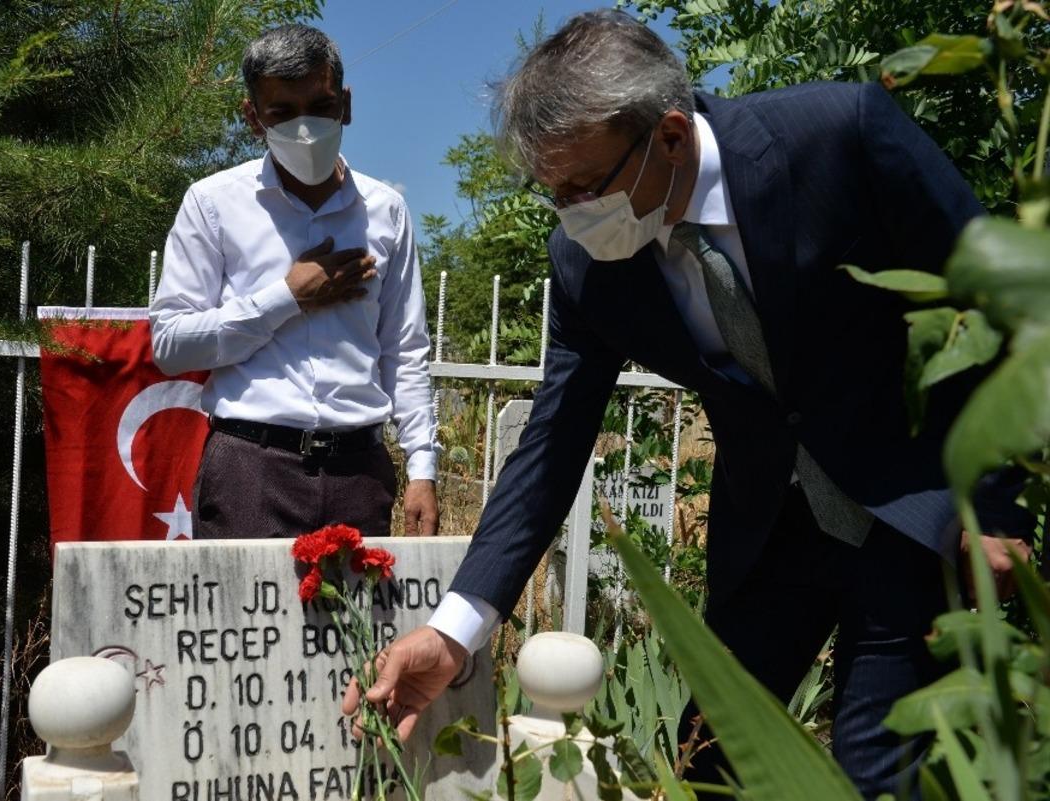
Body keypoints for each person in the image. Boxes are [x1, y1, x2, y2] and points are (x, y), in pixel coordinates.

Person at [343, 9, 1034, 797]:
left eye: (584, 185)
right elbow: (552, 444)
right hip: (775, 534)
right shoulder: (585, 267)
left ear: (670, 137)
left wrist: (999, 509)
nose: (569, 212)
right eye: (551, 193)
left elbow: (996, 300)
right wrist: (454, 632)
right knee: (707, 764)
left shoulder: (843, 136)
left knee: (877, 769)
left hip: (914, 507)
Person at [150, 24, 439, 541]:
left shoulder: (385, 211)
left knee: (358, 625)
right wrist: (287, 297)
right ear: (253, 118)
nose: (305, 129)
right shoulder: (214, 204)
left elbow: (405, 350)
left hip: (359, 472)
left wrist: (422, 467)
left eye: (320, 106)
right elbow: (171, 344)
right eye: (282, 112)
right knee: (242, 624)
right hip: (250, 470)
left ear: (345, 105)